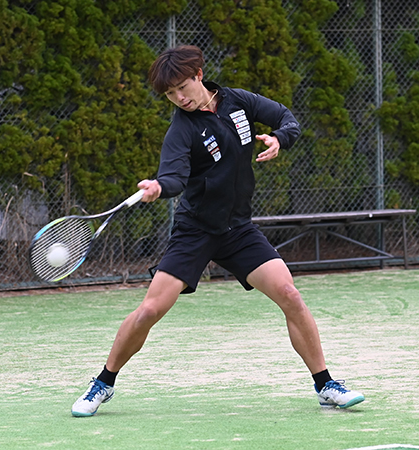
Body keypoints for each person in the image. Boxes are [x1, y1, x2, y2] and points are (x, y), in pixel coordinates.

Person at [71, 45, 365, 417]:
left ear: (198, 75)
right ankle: (103, 383)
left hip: (238, 229)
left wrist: (279, 138)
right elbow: (174, 176)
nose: (179, 98)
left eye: (182, 87)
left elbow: (286, 118)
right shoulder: (181, 129)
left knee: (289, 293)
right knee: (150, 310)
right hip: (196, 231)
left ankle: (326, 385)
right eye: (169, 95)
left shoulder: (238, 101)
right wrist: (159, 187)